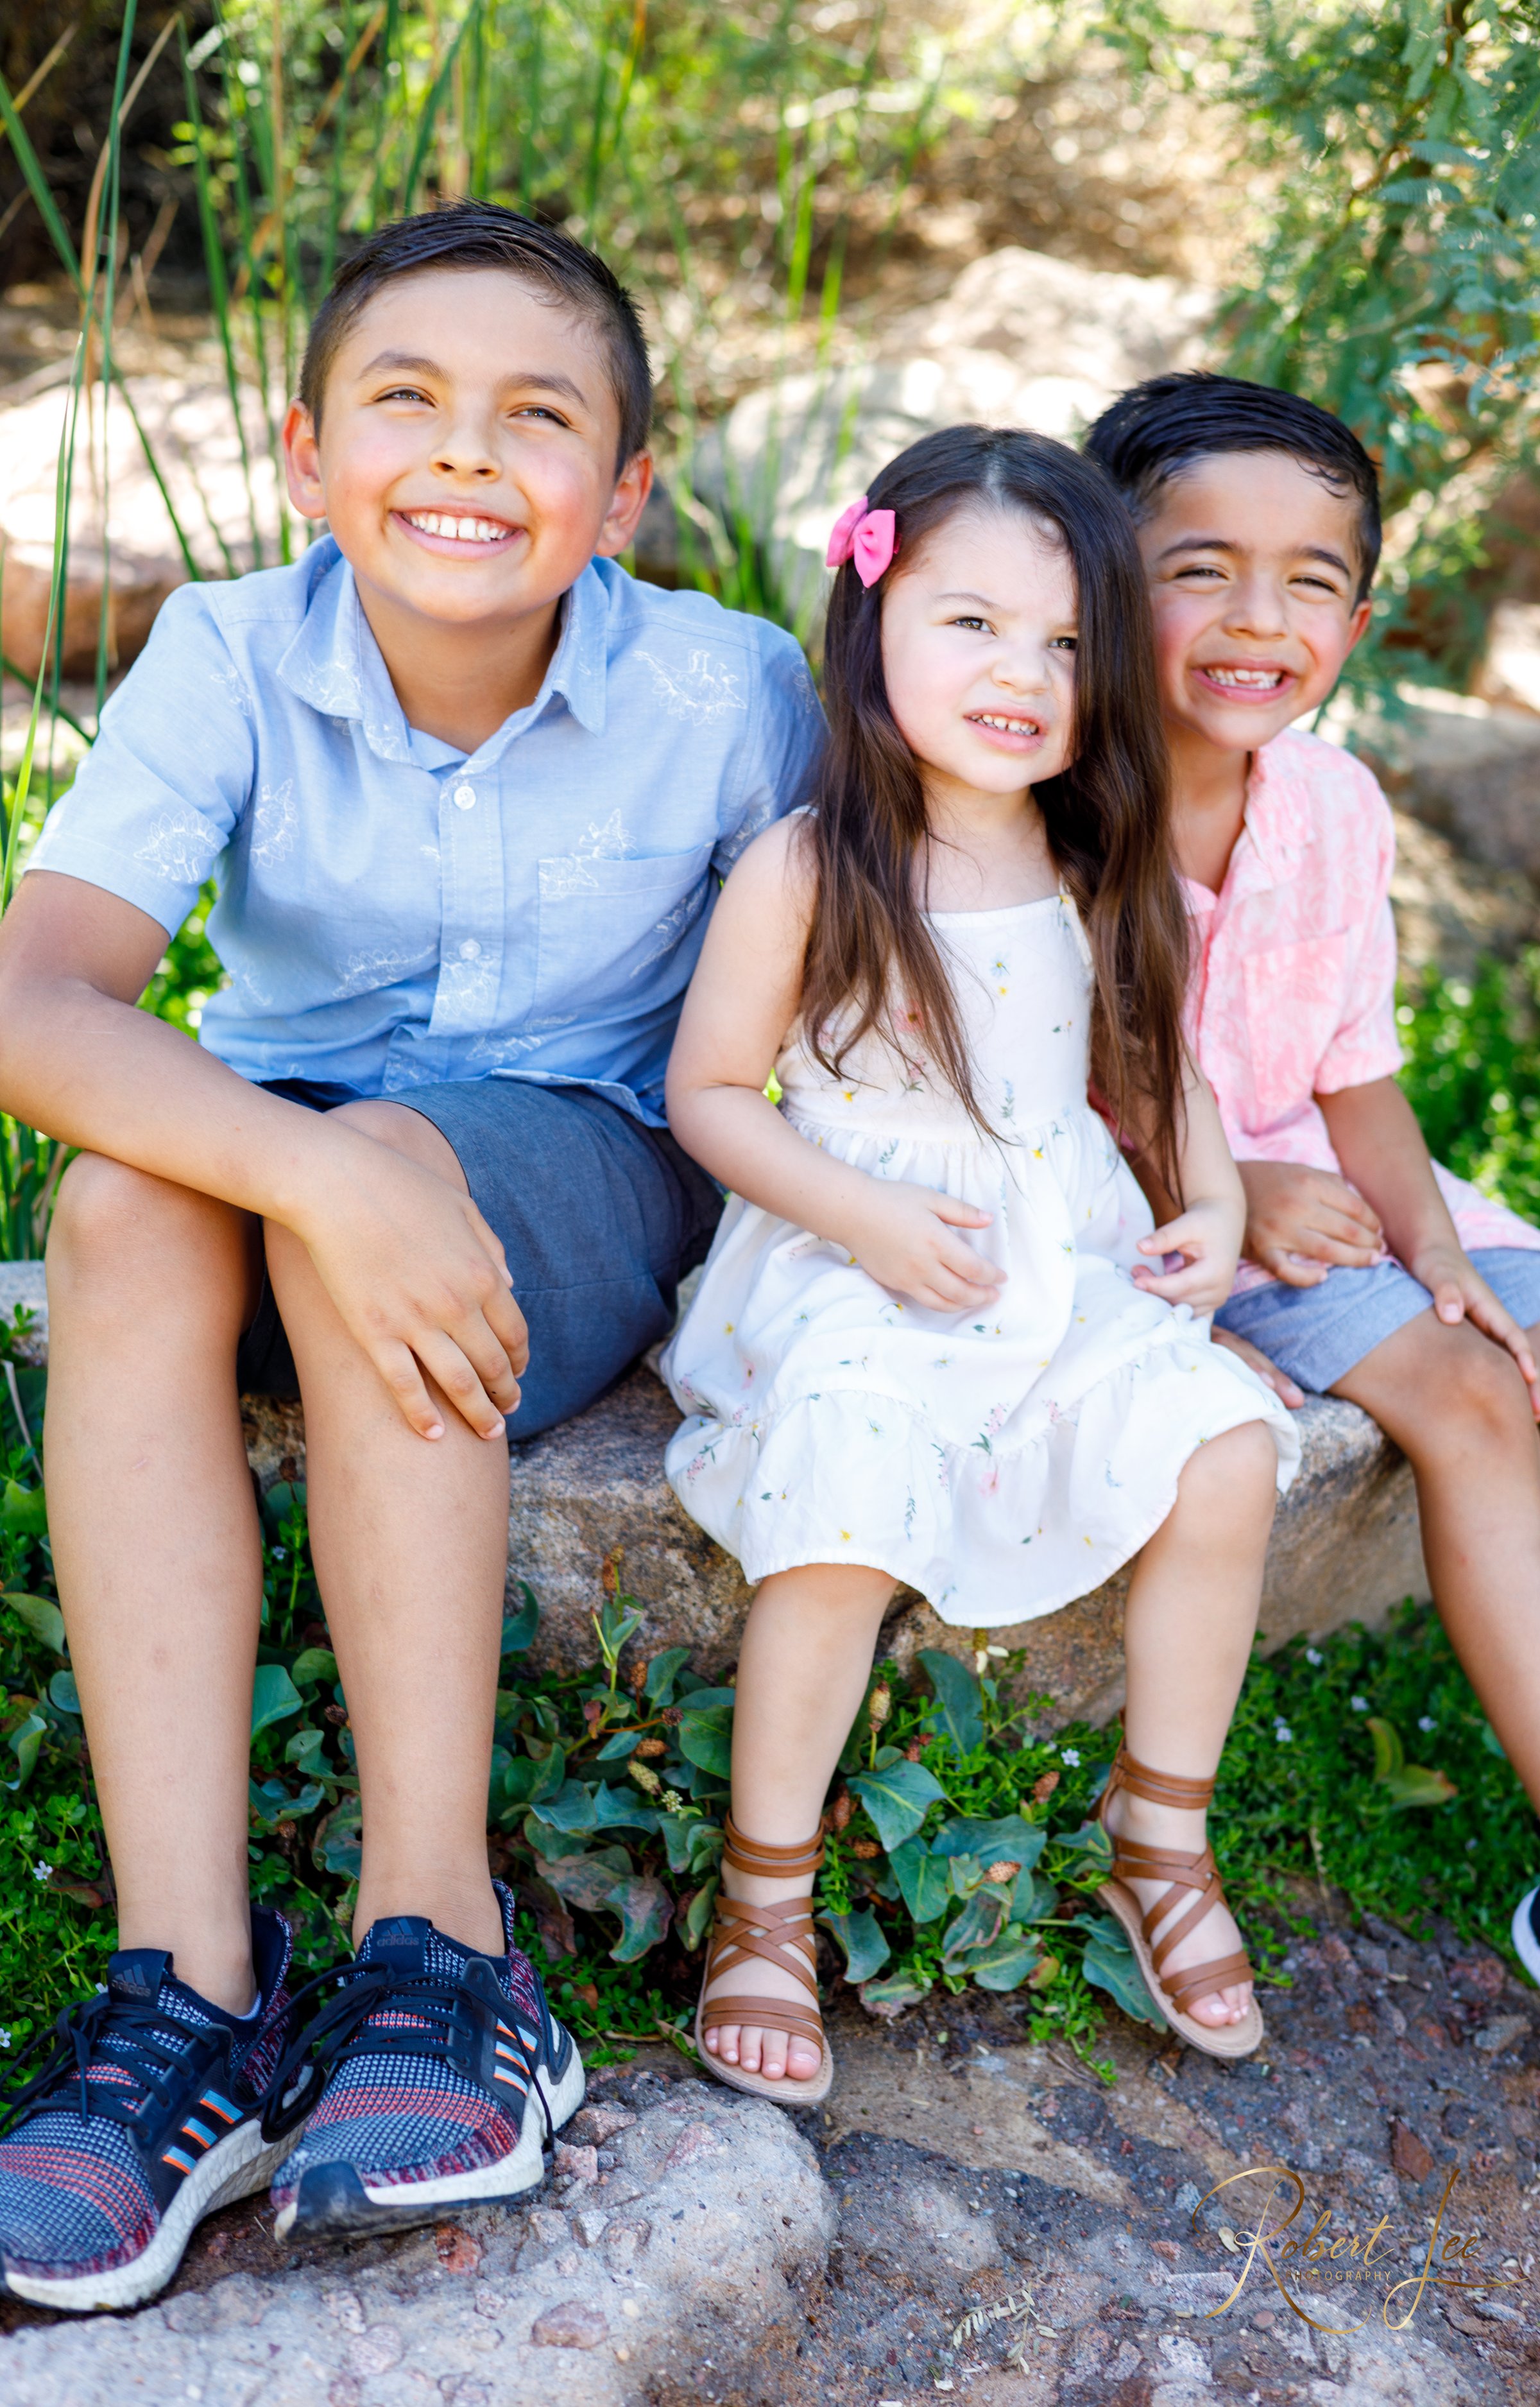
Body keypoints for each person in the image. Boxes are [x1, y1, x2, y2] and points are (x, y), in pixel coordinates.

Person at [0, 201, 823, 2309]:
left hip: (583, 1176)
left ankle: (445, 1951)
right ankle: (185, 2001)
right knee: (118, 1201)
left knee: (361, 1149)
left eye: (537, 415)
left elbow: (853, 1002)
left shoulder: (725, 688)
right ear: (304, 455)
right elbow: (37, 1001)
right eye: (407, 403)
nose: (467, 455)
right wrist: (338, 1184)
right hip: (297, 1158)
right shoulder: (227, 648)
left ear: (625, 488)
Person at [657, 425, 1301, 2105]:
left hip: (1055, 1258)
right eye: (969, 623)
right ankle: (764, 1900)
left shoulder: (1088, 867)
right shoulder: (811, 865)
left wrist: (1214, 1209)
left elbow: (1161, 1077)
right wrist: (862, 1218)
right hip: (854, 1257)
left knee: (1226, 1449)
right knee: (846, 1498)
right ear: (871, 622)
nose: (1020, 673)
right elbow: (711, 1096)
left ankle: (1158, 1832)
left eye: (1066, 642)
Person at [1084, 370, 1540, 2039]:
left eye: (1308, 578)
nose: (1259, 617)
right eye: (1200, 567)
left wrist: (1437, 1240)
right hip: (1146, 1206)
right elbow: (1055, 1093)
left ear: (1359, 617)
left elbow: (1356, 1070)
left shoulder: (1329, 804)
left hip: (1332, 1174)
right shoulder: (1053, 815)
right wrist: (1242, 1197)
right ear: (1100, 577)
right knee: (1462, 1398)